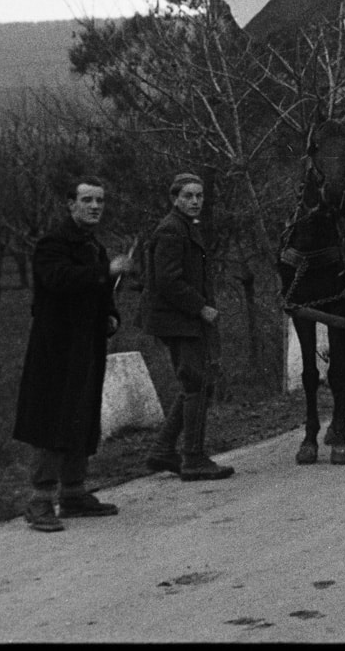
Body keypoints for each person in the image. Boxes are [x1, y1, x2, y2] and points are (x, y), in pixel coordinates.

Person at [13, 178, 133, 532]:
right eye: (87, 200)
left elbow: (100, 291)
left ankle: (73, 493)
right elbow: (59, 279)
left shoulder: (92, 245)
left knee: (82, 415)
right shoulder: (52, 243)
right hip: (56, 349)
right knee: (54, 419)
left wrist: (111, 314)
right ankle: (39, 500)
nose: (95, 207)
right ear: (70, 204)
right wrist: (106, 271)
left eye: (100, 201)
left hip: (86, 345)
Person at [142, 173, 235, 482]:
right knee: (197, 384)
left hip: (181, 318)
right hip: (178, 319)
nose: (195, 201)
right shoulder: (171, 230)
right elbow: (168, 280)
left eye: (199, 196)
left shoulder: (184, 226)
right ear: (175, 199)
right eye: (188, 196)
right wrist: (200, 306)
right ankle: (193, 458)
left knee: (195, 383)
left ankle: (162, 450)